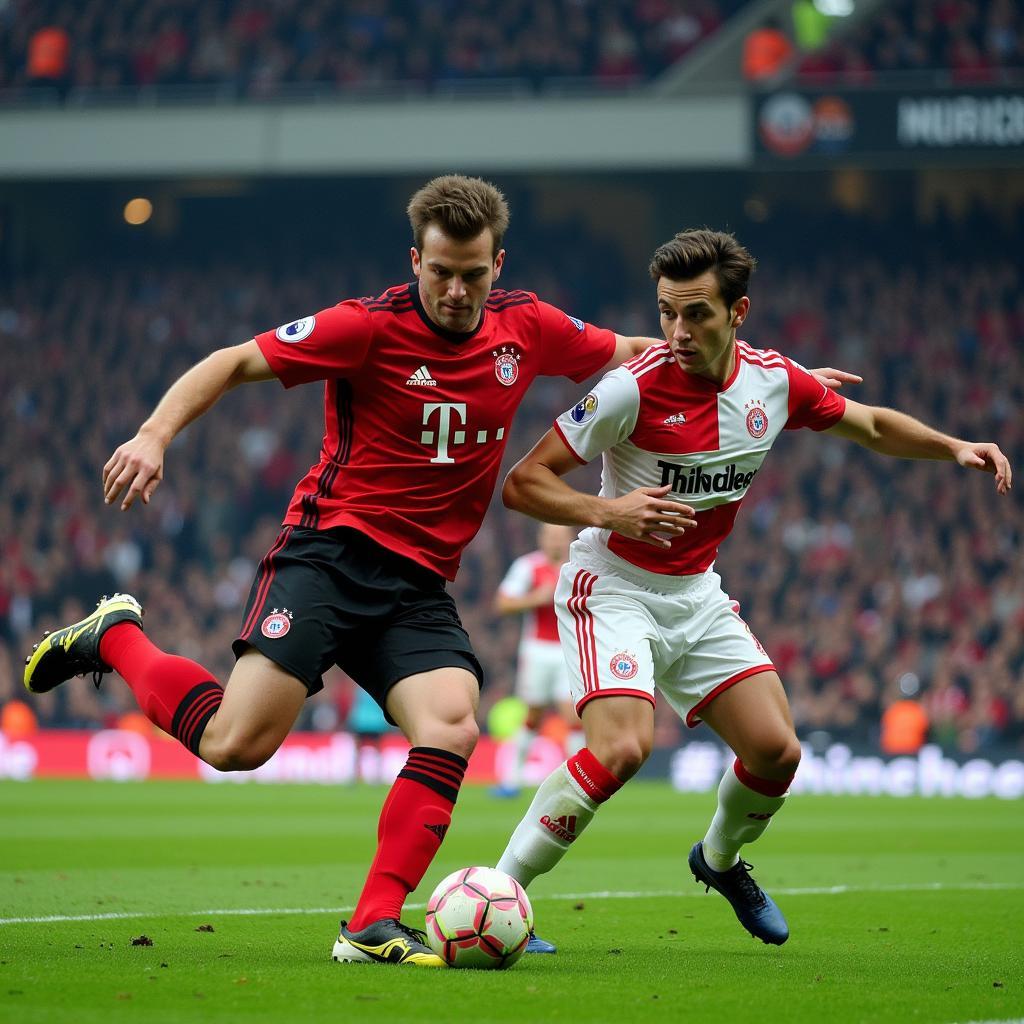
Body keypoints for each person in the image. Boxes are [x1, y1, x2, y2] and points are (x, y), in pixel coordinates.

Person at [23, 179, 854, 968]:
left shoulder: (526, 326)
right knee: (236, 744)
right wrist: (154, 434)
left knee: (454, 724)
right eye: (440, 272)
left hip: (418, 584)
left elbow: (642, 348)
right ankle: (118, 637)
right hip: (328, 555)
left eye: (472, 274)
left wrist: (775, 377)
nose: (455, 291)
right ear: (415, 261)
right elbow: (232, 361)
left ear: (498, 267)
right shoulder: (365, 327)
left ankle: (371, 921)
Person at [494, 228, 1011, 952]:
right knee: (621, 751)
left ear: (738, 312)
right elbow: (523, 483)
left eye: (696, 313)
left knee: (777, 752)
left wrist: (953, 444)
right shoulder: (630, 388)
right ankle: (502, 893)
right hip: (612, 586)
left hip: (696, 594)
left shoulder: (772, 380)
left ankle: (718, 860)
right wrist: (609, 510)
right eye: (668, 312)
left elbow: (868, 425)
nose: (677, 330)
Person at [492, 522, 582, 798]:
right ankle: (511, 780)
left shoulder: (580, 567)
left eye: (560, 537)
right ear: (541, 538)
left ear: (569, 539)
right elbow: (503, 603)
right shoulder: (528, 566)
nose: (555, 542)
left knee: (572, 715)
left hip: (571, 650)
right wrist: (536, 598)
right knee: (533, 715)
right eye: (550, 536)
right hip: (537, 651)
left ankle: (580, 782)